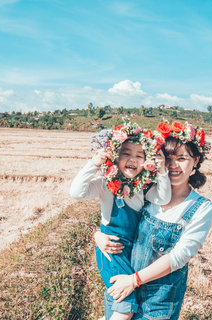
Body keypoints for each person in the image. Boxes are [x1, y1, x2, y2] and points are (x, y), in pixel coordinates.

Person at [95, 120, 212, 319]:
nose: (173, 165)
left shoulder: (201, 207)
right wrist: (98, 236)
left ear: (196, 160)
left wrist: (134, 280)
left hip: (157, 303)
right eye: (168, 158)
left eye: (182, 158)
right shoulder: (145, 192)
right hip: (123, 290)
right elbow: (119, 221)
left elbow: (179, 257)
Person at [70, 117, 171, 320]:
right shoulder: (105, 185)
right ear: (115, 157)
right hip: (112, 251)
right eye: (126, 154)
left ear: (146, 161)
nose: (132, 159)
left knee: (123, 305)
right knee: (125, 307)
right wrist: (94, 163)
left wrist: (161, 170)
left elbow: (163, 197)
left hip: (131, 253)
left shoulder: (143, 189)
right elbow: (76, 193)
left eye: (139, 156)